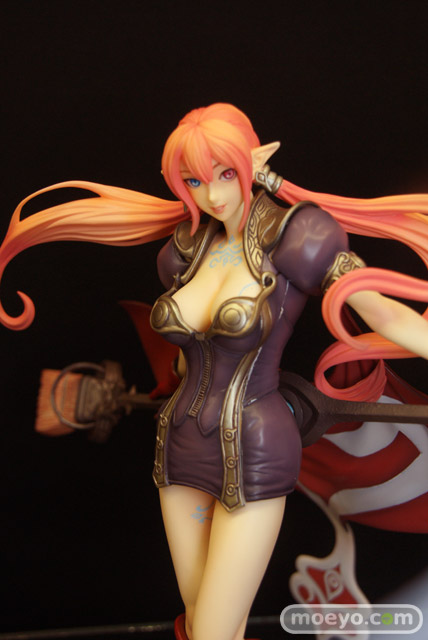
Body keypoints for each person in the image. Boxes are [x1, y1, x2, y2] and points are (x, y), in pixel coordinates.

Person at [1, 103, 428, 640]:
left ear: (256, 159)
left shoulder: (299, 235)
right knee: (202, 621)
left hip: (256, 450)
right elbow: (187, 360)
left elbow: (383, 313)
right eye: (195, 180)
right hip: (178, 449)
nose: (212, 194)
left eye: (226, 173)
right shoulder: (181, 252)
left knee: (213, 631)